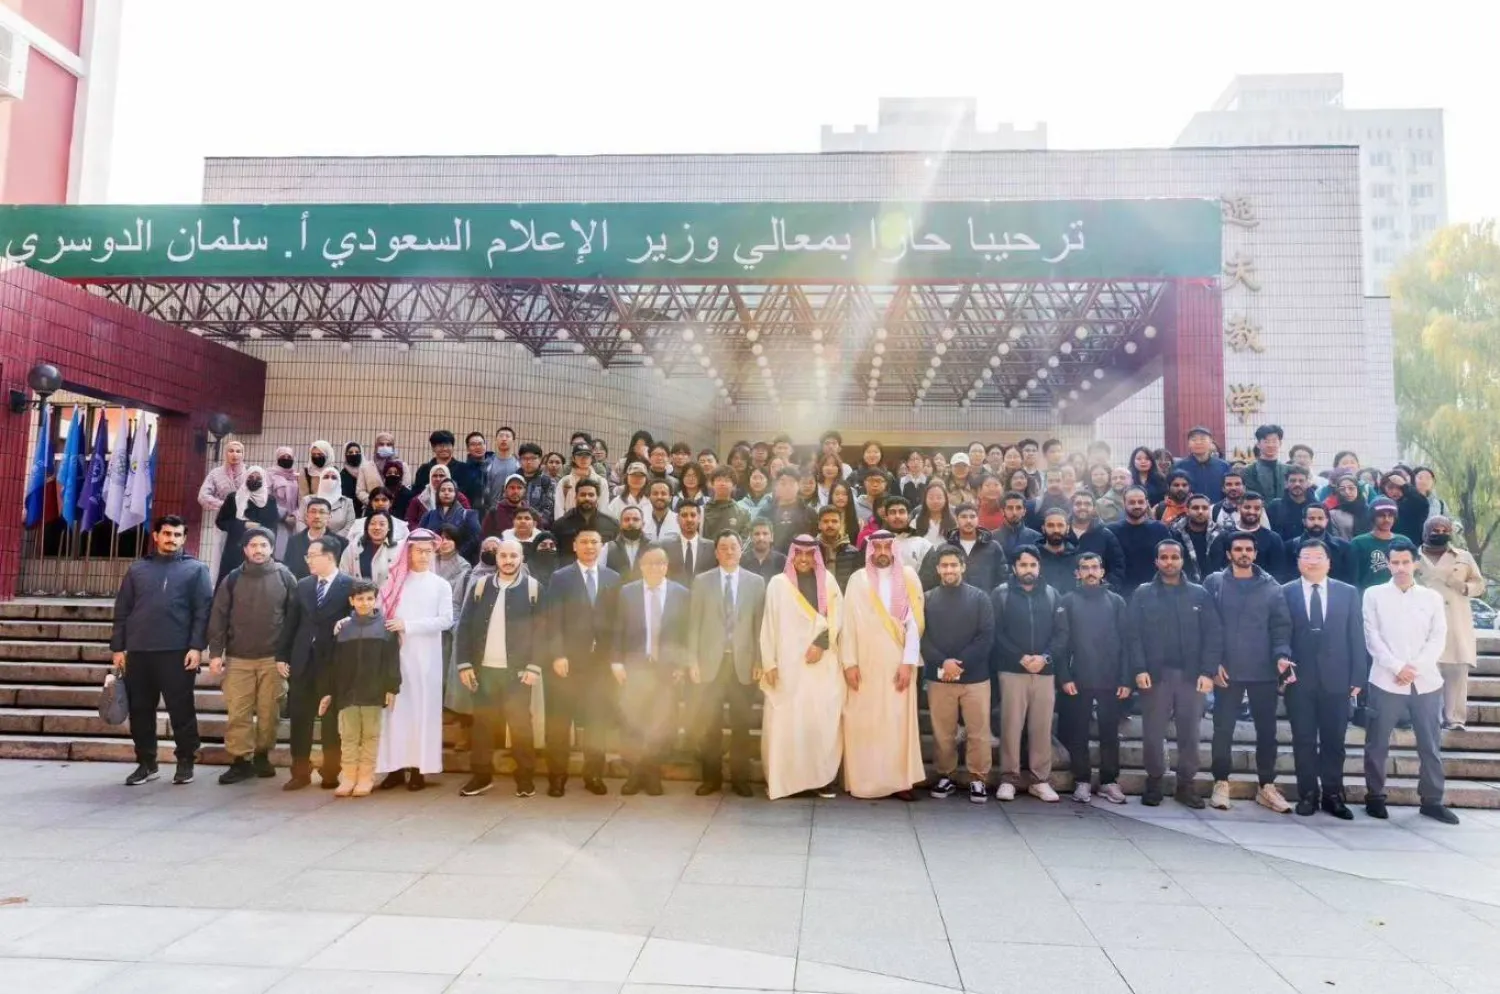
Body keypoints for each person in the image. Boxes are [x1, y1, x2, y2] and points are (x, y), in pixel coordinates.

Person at [112, 516, 214, 787]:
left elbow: (203, 612)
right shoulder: (137, 570)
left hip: (178, 652)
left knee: (181, 710)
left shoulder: (196, 570)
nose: (171, 539)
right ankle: (146, 763)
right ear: (155, 536)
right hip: (139, 651)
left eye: (177, 535)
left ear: (184, 538)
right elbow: (122, 610)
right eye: (166, 533)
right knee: (140, 710)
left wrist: (196, 647)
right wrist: (118, 647)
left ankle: (185, 761)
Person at [1362, 539, 1457, 823]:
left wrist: (1415, 668)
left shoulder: (1431, 598)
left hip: (1426, 681)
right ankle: (1375, 796)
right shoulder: (1374, 594)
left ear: (1415, 562)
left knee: (1430, 743)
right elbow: (1372, 636)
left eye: (1405, 562)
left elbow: (1438, 636)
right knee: (1377, 742)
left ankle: (1431, 799)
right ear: (1388, 564)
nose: (1401, 568)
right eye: (1395, 563)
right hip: (1385, 678)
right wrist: (1396, 667)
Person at [1203, 532, 1296, 813]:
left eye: (1248, 549)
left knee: (1267, 732)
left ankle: (1266, 786)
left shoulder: (1271, 587)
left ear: (1255, 554)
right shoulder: (1215, 583)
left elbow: (1281, 627)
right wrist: (1212, 663)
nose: (1243, 553)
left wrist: (1282, 656)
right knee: (1223, 730)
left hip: (1263, 670)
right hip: (1227, 670)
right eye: (1238, 549)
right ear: (1229, 553)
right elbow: (1207, 625)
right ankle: (1220, 782)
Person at [1128, 540, 1224, 808]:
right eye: (1164, 557)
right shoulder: (1143, 594)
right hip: (1155, 676)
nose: (1169, 562)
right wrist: (1139, 669)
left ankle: (1186, 785)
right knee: (1152, 732)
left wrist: (1208, 671)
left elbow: (1213, 634)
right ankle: (1154, 782)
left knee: (1190, 733)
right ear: (1156, 562)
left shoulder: (1199, 595)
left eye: (1174, 557)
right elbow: (1132, 635)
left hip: (1191, 676)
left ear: (1182, 560)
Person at [1282, 539, 1367, 819]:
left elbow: (1356, 635)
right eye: (1306, 556)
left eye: (1319, 556)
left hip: (1337, 679)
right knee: (1303, 740)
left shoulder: (1348, 593)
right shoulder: (1285, 592)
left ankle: (1333, 794)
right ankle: (1308, 794)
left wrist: (1358, 676)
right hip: (1299, 680)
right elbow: (1279, 636)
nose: (1313, 561)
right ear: (1298, 562)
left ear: (1329, 562)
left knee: (1334, 741)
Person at [757, 537, 847, 800]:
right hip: (787, 666)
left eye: (810, 554)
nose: (805, 559)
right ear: (792, 556)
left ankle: (819, 780)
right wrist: (769, 662)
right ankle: (784, 781)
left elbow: (836, 616)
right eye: (800, 554)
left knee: (821, 721)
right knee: (786, 722)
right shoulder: (778, 584)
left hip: (821, 663)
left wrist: (820, 644)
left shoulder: (828, 581)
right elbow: (769, 623)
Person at [455, 538, 544, 798]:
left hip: (517, 673)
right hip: (484, 671)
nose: (508, 561)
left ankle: (525, 777)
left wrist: (534, 666)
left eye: (513, 556)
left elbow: (543, 632)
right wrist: (464, 664)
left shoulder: (533, 589)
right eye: (503, 556)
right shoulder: (480, 586)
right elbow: (465, 627)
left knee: (520, 725)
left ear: (521, 559)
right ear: (497, 558)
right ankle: (481, 776)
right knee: (482, 725)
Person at [207, 527, 298, 785]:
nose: (258, 550)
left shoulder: (285, 576)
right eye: (253, 545)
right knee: (239, 712)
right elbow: (219, 616)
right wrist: (216, 653)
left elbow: (294, 618)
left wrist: (288, 654)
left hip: (274, 659)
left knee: (270, 712)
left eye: (263, 545)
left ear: (271, 548)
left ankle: (261, 755)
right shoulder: (232, 579)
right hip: (239, 658)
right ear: (245, 549)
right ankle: (240, 760)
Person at [840, 531, 926, 800]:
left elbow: (914, 625)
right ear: (869, 550)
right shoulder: (858, 579)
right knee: (864, 723)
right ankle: (865, 781)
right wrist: (849, 663)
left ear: (894, 549)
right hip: (864, 664)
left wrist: (908, 662)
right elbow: (848, 624)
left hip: (897, 662)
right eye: (876, 547)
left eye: (886, 547)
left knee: (898, 724)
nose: (881, 552)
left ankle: (900, 782)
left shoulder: (909, 576)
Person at [685, 530, 766, 795]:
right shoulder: (702, 581)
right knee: (710, 724)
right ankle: (711, 779)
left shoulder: (756, 583)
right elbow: (693, 625)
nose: (729, 551)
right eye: (723, 547)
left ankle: (740, 779)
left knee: (742, 724)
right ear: (716, 552)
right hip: (710, 664)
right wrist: (692, 661)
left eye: (733, 547)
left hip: (742, 664)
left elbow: (759, 626)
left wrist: (759, 660)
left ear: (741, 551)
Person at [374, 529, 456, 791]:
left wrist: (407, 625)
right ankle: (394, 769)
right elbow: (376, 614)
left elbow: (446, 620)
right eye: (418, 551)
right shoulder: (393, 583)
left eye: (428, 551)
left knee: (422, 712)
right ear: (407, 552)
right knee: (395, 712)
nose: (423, 555)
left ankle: (420, 769)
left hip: (426, 659)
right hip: (395, 658)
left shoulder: (440, 585)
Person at [609, 543, 691, 796]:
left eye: (660, 563)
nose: (655, 568)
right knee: (633, 723)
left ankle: (653, 774)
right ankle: (635, 775)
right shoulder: (627, 593)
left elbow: (686, 634)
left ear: (666, 566)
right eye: (649, 563)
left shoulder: (682, 594)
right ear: (641, 566)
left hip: (665, 669)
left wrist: (681, 664)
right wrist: (616, 661)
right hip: (635, 667)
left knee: (660, 724)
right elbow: (617, 629)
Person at [544, 527, 621, 796]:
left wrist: (615, 659)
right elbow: (552, 620)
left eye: (594, 542)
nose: (589, 546)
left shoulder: (614, 578)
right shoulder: (560, 578)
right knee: (559, 722)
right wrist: (558, 654)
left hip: (599, 666)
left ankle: (594, 775)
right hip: (567, 664)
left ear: (601, 547)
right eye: (584, 542)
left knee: (597, 722)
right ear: (575, 546)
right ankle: (557, 777)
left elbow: (617, 624)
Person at [989, 545, 1067, 802]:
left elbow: (1061, 634)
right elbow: (996, 632)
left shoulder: (1052, 595)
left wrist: (1044, 657)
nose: (1028, 570)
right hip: (1012, 670)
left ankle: (1039, 780)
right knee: (1011, 726)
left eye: (1033, 565)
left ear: (1039, 567)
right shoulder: (1001, 595)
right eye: (1023, 565)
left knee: (1041, 727)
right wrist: (1020, 657)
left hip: (1045, 671)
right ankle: (1009, 778)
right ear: (1014, 568)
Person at [921, 545, 995, 803]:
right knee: (943, 732)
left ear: (963, 566)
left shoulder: (980, 598)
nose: (949, 569)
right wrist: (944, 662)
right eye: (945, 565)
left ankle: (978, 778)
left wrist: (958, 663)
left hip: (975, 677)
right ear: (938, 569)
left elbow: (985, 636)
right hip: (939, 677)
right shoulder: (927, 598)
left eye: (954, 565)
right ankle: (946, 775)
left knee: (978, 730)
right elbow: (922, 636)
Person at [278, 538, 353, 791]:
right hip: (302, 661)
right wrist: (281, 656)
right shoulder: (303, 585)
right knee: (300, 717)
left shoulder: (349, 586)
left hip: (333, 662)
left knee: (331, 719)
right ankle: (300, 771)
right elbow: (291, 623)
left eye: (312, 555)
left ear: (330, 557)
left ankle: (332, 770)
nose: (307, 559)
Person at [1056, 552, 1130, 804]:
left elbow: (1126, 642)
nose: (1090, 572)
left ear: (1102, 572)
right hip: (1079, 679)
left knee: (1110, 733)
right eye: (1084, 568)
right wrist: (1064, 676)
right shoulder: (1068, 601)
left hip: (1110, 680)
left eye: (1094, 567)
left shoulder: (1116, 601)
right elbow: (1061, 645)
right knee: (1078, 733)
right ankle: (1082, 781)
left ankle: (1109, 781)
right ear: (1077, 573)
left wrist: (1125, 679)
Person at [319, 578, 402, 797]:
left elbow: (392, 661)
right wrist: (329, 691)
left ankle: (366, 777)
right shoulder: (343, 628)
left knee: (370, 736)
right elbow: (333, 662)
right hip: (347, 692)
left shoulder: (385, 628)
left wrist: (392, 687)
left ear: (375, 600)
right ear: (351, 600)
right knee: (348, 736)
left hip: (373, 691)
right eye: (360, 599)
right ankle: (348, 777)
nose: (364, 603)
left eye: (369, 599)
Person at [1415, 516, 1485, 730]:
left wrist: (1464, 587)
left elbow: (1479, 584)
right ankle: (1427, 717)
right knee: (1425, 670)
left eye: (1444, 528)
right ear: (1426, 531)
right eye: (1434, 529)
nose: (1439, 532)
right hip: (1423, 621)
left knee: (1456, 671)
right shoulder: (1413, 556)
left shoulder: (1463, 556)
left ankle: (1454, 718)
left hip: (1455, 620)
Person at [214, 465, 282, 586]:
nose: (254, 479)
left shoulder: (269, 500)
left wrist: (259, 528)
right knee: (230, 584)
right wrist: (243, 525)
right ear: (245, 477)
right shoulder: (233, 498)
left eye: (258, 477)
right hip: (235, 547)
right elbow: (221, 522)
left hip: (259, 549)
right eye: (251, 476)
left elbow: (273, 525)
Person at [1208, 492, 1288, 580]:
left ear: (1262, 510)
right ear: (1238, 507)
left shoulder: (1273, 539)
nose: (1251, 511)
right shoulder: (1224, 537)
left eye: (1257, 508)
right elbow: (1216, 569)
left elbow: (1278, 573)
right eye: (1247, 507)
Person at [1109, 487, 1173, 595]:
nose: (1137, 506)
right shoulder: (1111, 531)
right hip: (1121, 593)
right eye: (1132, 502)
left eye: (1140, 502)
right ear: (1124, 504)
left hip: (1155, 592)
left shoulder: (1160, 529)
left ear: (1147, 503)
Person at [551, 479, 621, 563]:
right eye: (583, 495)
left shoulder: (611, 524)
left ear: (597, 497)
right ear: (576, 497)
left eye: (591, 495)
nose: (587, 498)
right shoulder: (560, 525)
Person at [1288, 504, 1354, 586]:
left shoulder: (1343, 547)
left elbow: (1349, 579)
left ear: (1326, 520)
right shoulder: (1291, 546)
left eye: (1320, 518)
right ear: (1304, 521)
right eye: (1311, 519)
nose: (1316, 522)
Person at [285, 497, 348, 580]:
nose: (317, 516)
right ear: (306, 516)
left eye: (322, 512)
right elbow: (288, 570)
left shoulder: (341, 543)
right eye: (313, 512)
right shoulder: (294, 541)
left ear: (329, 517)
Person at [1351, 496, 1401, 589]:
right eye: (1381, 515)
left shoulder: (1403, 541)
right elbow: (1353, 577)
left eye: (1390, 515)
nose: (1387, 519)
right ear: (1372, 517)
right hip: (1369, 597)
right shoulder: (1358, 543)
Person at [341, 512, 400, 588]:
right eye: (372, 523)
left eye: (382, 524)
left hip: (386, 597)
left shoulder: (397, 550)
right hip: (358, 597)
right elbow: (343, 574)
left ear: (389, 528)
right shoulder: (354, 548)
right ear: (367, 527)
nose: (377, 527)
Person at [1174, 426, 1231, 503]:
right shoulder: (1179, 466)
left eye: (1203, 439)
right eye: (1194, 440)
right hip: (1188, 511)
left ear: (1211, 442)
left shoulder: (1223, 466)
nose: (1198, 442)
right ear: (1188, 444)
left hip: (1216, 510)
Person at [666, 502, 716, 586]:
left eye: (693, 515)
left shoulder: (712, 547)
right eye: (684, 515)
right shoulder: (666, 547)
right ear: (677, 519)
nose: (689, 519)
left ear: (699, 518)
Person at [813, 504, 862, 591]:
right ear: (819, 525)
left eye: (834, 521)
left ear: (841, 524)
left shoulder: (853, 553)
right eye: (826, 521)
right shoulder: (811, 551)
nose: (830, 525)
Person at [880, 495, 932, 573]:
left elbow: (928, 578)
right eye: (892, 512)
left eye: (901, 512)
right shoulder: (875, 543)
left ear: (909, 516)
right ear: (886, 517)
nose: (897, 516)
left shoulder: (923, 545)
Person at [1242, 424, 1292, 501]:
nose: (1270, 445)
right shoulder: (1249, 471)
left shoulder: (1289, 469)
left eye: (1274, 441)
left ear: (1280, 444)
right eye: (1266, 441)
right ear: (1258, 444)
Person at [1036, 509, 1082, 594]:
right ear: (1043, 528)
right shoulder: (1034, 557)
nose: (1056, 530)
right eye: (1050, 525)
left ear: (1067, 528)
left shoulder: (1078, 558)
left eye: (1060, 525)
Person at [197, 439, 248, 515]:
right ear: (226, 453)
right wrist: (223, 504)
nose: (235, 454)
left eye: (238, 451)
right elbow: (202, 496)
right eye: (231, 451)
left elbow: (260, 495)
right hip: (223, 518)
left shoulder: (250, 472)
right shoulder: (215, 473)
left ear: (242, 454)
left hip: (246, 518)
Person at [269, 446, 302, 558]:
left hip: (294, 521)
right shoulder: (270, 475)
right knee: (278, 553)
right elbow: (267, 499)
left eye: (289, 457)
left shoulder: (296, 477)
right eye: (283, 457)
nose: (286, 459)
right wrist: (283, 516)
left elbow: (300, 499)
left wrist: (295, 515)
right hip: (276, 520)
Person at [303, 467, 356, 537]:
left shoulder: (347, 502)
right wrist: (311, 537)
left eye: (334, 477)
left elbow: (350, 525)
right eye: (326, 477)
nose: (330, 480)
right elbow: (301, 522)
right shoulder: (307, 500)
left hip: (339, 543)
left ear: (339, 481)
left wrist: (332, 540)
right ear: (321, 479)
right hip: (309, 542)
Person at [1267, 466, 1316, 542]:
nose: (1297, 484)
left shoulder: (1318, 508)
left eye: (1301, 481)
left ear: (1307, 483)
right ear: (1286, 483)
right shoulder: (1275, 507)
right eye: (1293, 481)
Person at [702, 466, 753, 539]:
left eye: (727, 480)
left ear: (734, 486)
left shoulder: (743, 514)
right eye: (719, 480)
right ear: (712, 484)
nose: (722, 484)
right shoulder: (702, 510)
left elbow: (745, 542)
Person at [516, 442, 556, 528]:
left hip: (539, 528)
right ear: (520, 460)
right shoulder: (513, 480)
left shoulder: (547, 481)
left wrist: (534, 523)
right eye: (525, 458)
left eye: (533, 458)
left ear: (540, 460)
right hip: (515, 527)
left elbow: (549, 510)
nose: (529, 462)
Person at [994, 491, 1043, 559]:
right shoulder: (991, 538)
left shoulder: (1037, 538)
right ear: (1002, 511)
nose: (1014, 512)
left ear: (1024, 511)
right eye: (1010, 508)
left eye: (1018, 508)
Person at [483, 473, 532, 540]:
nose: (515, 491)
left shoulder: (531, 513)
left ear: (524, 491)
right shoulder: (494, 513)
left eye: (519, 488)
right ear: (505, 490)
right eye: (512, 487)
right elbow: (484, 539)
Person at [605, 505, 647, 581]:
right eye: (627, 520)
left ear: (643, 524)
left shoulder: (653, 546)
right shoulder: (607, 548)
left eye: (636, 519)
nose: (631, 523)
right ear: (620, 525)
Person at [912, 480, 956, 547]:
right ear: (925, 500)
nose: (935, 501)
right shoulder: (916, 521)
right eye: (931, 498)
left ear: (945, 500)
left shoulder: (954, 522)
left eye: (939, 498)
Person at [340, 441, 370, 517]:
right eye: (350, 452)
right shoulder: (342, 475)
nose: (354, 454)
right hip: (348, 515)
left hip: (367, 513)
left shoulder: (368, 471)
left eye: (357, 452)